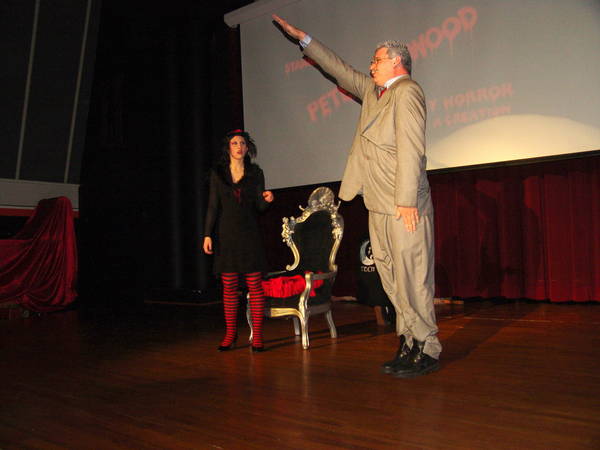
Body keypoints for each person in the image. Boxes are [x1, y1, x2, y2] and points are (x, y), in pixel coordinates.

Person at [272, 15, 441, 377]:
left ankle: (427, 345)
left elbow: (412, 148)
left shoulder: (407, 92)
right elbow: (340, 70)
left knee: (413, 278)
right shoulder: (374, 93)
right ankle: (408, 340)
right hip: (377, 203)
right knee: (391, 279)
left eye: (377, 60)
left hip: (402, 204)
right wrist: (304, 39)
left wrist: (407, 200)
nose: (371, 66)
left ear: (397, 62)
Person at [203, 129, 274, 352]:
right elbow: (213, 206)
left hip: (249, 235)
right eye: (234, 143)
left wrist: (267, 199)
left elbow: (260, 207)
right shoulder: (218, 174)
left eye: (242, 143)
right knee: (229, 286)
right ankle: (230, 334)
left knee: (255, 286)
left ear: (247, 148)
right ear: (228, 147)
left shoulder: (255, 173)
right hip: (226, 236)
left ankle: (258, 336)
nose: (239, 147)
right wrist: (207, 234)